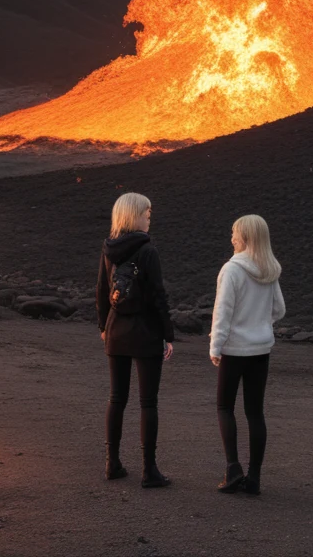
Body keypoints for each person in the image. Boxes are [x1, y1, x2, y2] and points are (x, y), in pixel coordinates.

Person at [96, 191, 174, 488]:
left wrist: (104, 326)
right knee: (148, 402)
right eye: (146, 213)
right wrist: (168, 334)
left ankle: (112, 463)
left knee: (117, 398)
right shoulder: (148, 250)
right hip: (146, 333)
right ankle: (149, 470)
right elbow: (158, 296)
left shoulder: (108, 249)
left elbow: (102, 290)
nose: (150, 217)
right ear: (134, 215)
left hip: (116, 332)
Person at [209, 214, 285, 495]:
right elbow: (279, 310)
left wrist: (215, 346)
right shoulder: (269, 269)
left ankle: (233, 469)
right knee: (255, 412)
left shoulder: (232, 270)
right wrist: (260, 325)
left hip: (234, 350)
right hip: (261, 350)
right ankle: (254, 478)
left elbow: (223, 313)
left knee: (224, 407)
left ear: (246, 237)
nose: (231, 238)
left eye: (234, 233)